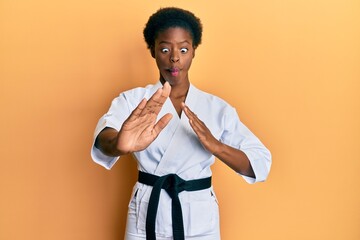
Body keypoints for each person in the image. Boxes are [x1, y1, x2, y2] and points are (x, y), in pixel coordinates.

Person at [91, 7, 271, 240]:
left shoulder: (216, 108)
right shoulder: (133, 100)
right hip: (146, 212)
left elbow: (260, 162)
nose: (174, 58)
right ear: (153, 52)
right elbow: (104, 138)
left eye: (183, 49)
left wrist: (217, 147)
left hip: (200, 217)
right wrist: (118, 144)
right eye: (165, 49)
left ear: (193, 51)